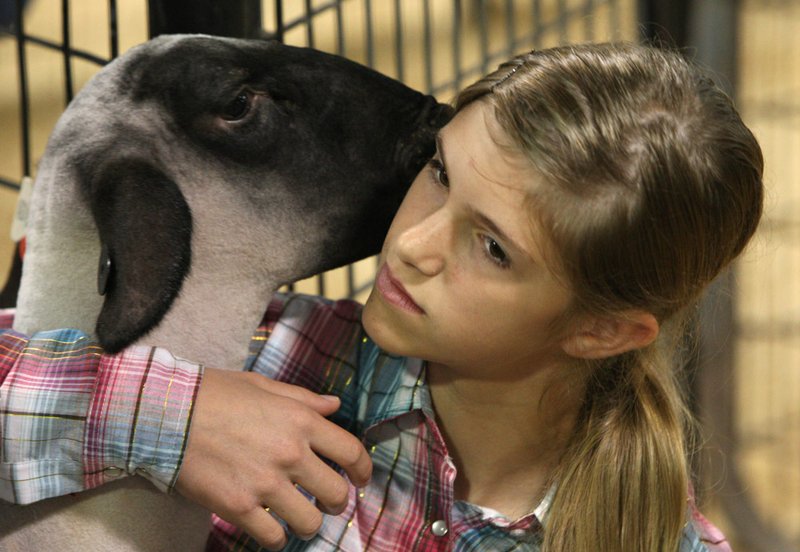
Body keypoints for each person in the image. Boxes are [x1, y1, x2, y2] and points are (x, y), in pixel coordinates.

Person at [0, 41, 762, 551]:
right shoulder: (270, 361)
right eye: (438, 171)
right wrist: (174, 419)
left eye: (492, 248)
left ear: (603, 330)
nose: (410, 246)